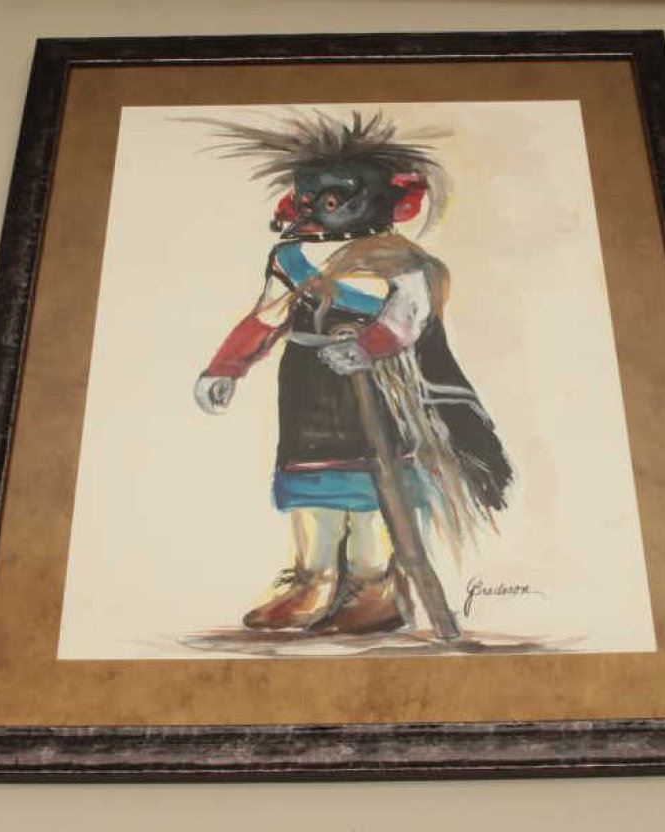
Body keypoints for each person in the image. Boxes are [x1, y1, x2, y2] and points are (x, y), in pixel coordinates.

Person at [193, 111, 512, 635]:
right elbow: (267, 316)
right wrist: (225, 366)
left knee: (372, 485)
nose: (319, 207)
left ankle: (374, 587)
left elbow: (408, 317)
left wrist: (368, 347)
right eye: (312, 197)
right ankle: (312, 581)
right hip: (307, 386)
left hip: (379, 387)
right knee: (308, 479)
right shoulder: (292, 257)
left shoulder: (403, 261)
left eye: (334, 197)